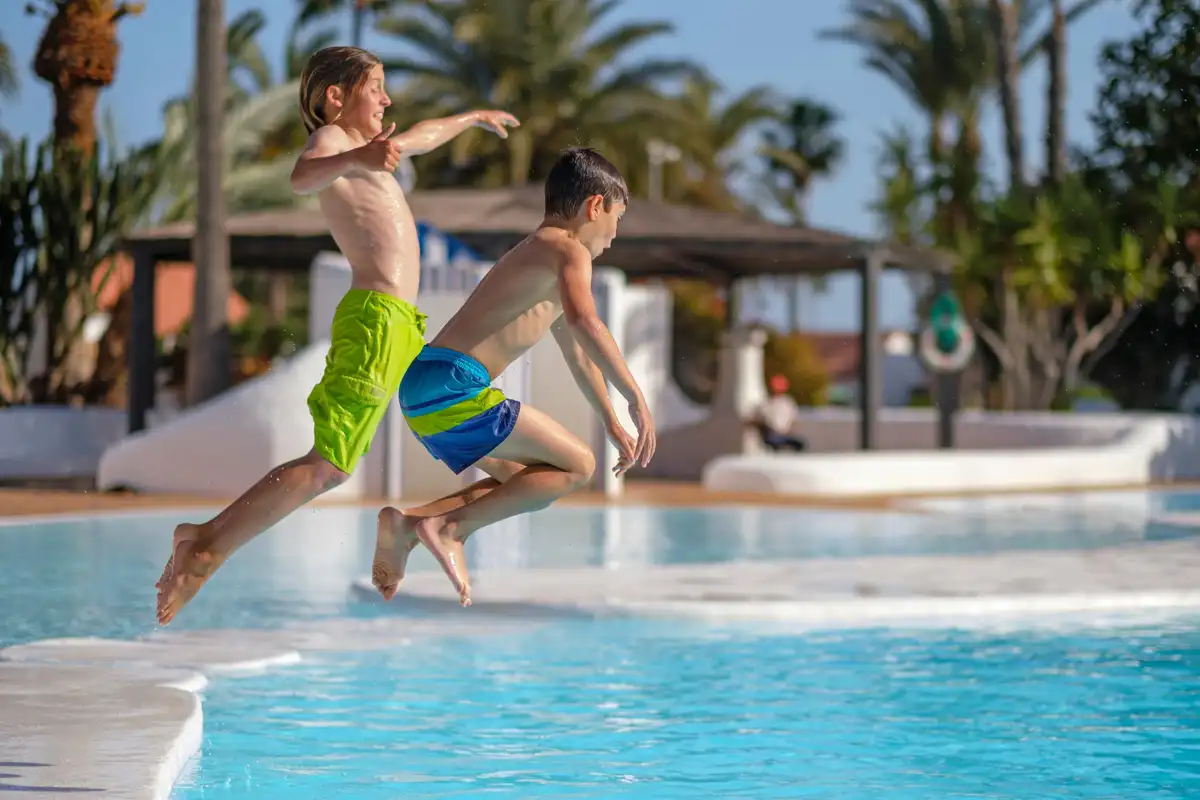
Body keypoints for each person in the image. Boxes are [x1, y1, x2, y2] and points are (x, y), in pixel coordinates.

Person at [154, 45, 519, 625]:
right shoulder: (333, 145)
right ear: (336, 97)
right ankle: (205, 544)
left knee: (464, 431)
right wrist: (359, 157)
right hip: (376, 320)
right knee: (329, 465)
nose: (387, 99)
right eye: (376, 87)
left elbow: (423, 134)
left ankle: (418, 525)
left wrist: (472, 119)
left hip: (400, 326)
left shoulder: (370, 150)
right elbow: (302, 178)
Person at [370, 147, 656, 607]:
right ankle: (448, 530)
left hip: (425, 386)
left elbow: (579, 354)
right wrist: (636, 398)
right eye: (617, 219)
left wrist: (611, 419)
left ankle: (409, 525)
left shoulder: (538, 254)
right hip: (454, 384)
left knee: (526, 482)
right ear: (595, 206)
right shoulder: (568, 249)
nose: (615, 234)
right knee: (579, 466)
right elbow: (587, 323)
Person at [748, 374, 806, 452]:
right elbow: (755, 420)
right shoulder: (766, 404)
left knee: (800, 444)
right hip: (772, 435)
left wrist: (788, 431)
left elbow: (793, 420)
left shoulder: (787, 402)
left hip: (784, 434)